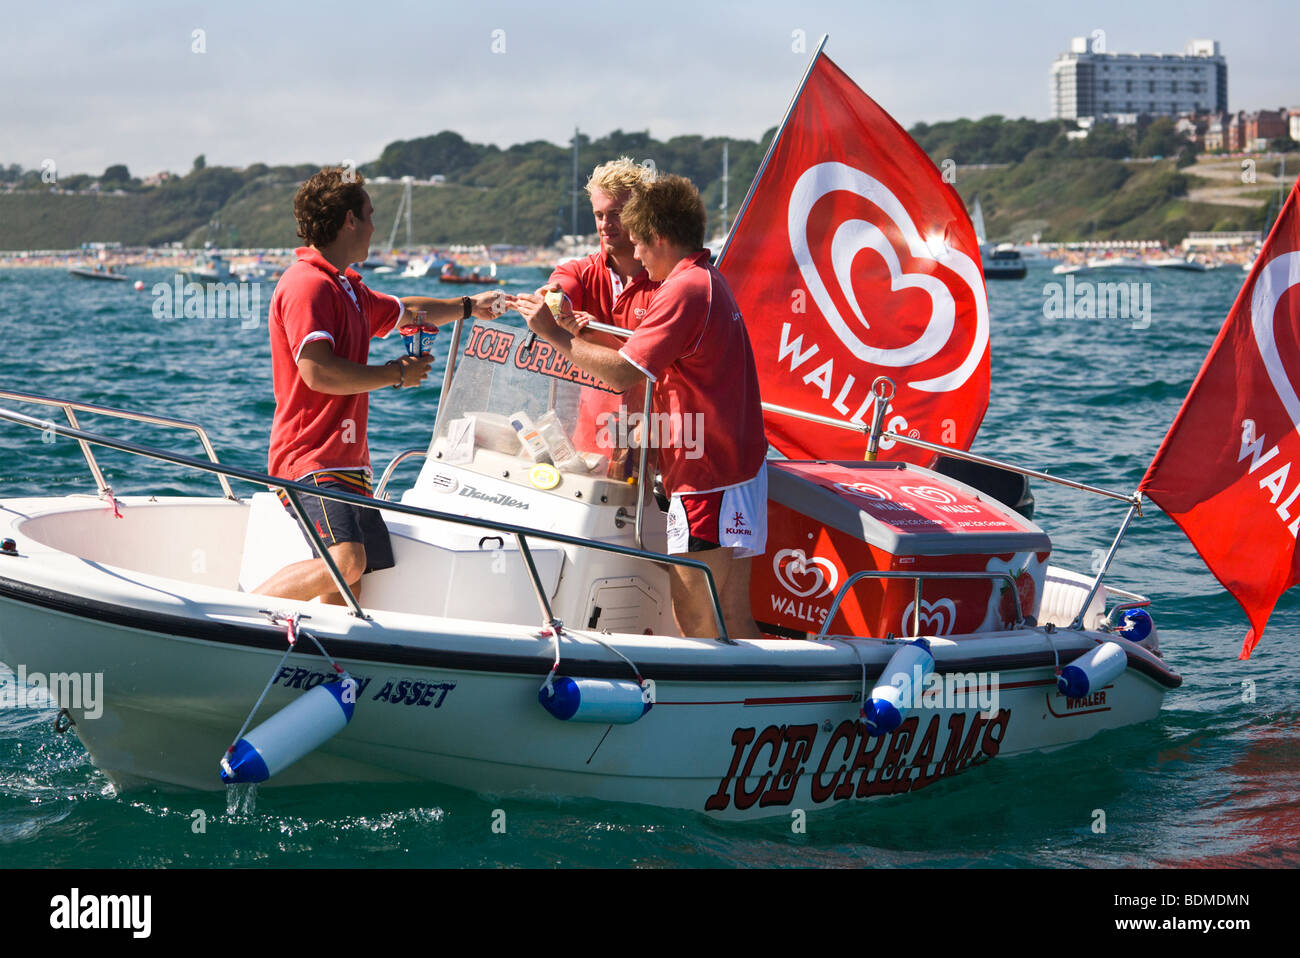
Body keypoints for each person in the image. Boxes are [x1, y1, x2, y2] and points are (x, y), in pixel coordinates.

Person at [514, 174, 767, 639]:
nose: (638, 256)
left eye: (640, 243)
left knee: (694, 617)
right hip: (739, 467)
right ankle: (763, 704)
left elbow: (622, 373)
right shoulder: (708, 279)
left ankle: (708, 707)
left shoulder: (682, 288)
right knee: (731, 614)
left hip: (706, 475)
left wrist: (556, 333)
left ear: (660, 238)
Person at [253, 167, 500, 604]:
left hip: (347, 465)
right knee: (345, 560)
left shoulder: (346, 287)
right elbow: (318, 371)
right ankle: (235, 618)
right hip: (310, 459)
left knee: (350, 578)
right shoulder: (307, 285)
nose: (374, 226)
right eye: (369, 215)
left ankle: (322, 669)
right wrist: (396, 374)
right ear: (349, 220)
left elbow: (408, 311)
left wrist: (467, 307)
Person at [508, 157, 660, 466]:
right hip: (590, 438)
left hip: (652, 439)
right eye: (599, 215)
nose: (605, 224)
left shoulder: (667, 279)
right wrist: (554, 300)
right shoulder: (581, 269)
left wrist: (593, 333)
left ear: (641, 214)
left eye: (616, 213)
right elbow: (561, 285)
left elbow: (645, 362)